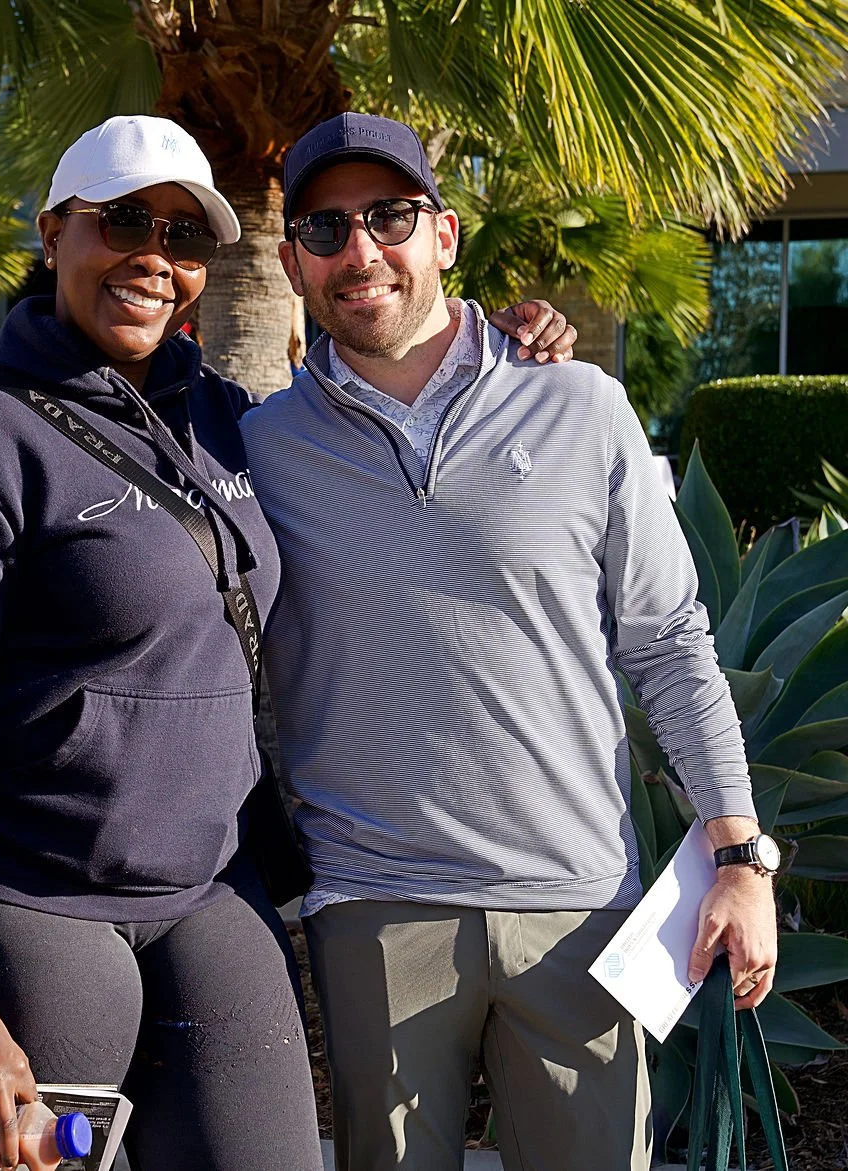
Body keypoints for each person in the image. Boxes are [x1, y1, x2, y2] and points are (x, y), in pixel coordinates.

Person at [0, 114, 575, 1171]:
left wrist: (493, 346)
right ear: (53, 232)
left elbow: (373, 413)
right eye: (122, 223)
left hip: (211, 893)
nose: (154, 256)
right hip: (35, 906)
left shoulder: (226, 421)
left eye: (184, 236)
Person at [239, 112, 779, 1171]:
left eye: (389, 216)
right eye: (326, 228)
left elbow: (669, 642)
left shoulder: (581, 404)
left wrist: (739, 856)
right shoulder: (260, 445)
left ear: (443, 235)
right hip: (374, 906)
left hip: (576, 903)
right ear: (294, 261)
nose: (361, 251)